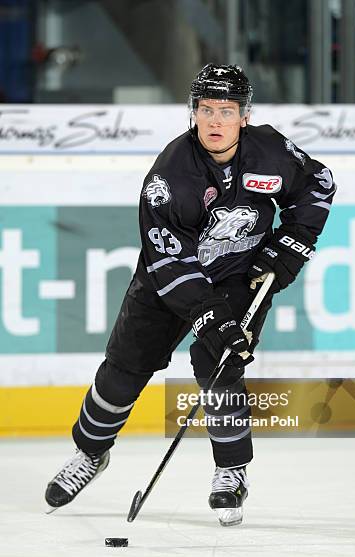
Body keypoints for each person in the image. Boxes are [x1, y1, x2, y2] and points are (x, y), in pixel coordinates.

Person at [45, 64, 335, 526]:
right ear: (193, 113)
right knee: (124, 367)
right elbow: (169, 261)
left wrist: (291, 245)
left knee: (218, 367)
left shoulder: (271, 151)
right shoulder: (170, 176)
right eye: (206, 110)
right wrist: (206, 314)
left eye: (226, 110)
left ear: (244, 115)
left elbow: (318, 184)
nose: (215, 121)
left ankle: (230, 471)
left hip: (240, 277)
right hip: (169, 284)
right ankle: (90, 454)